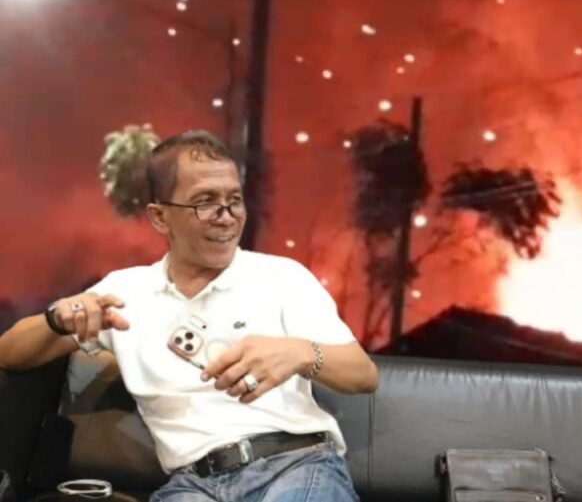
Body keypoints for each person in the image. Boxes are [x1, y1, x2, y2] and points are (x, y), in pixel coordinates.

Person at [0, 130, 378, 502]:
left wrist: (302, 353)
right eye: (205, 202)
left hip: (295, 465)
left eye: (234, 201)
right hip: (193, 485)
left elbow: (363, 375)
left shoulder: (282, 277)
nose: (226, 218)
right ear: (160, 217)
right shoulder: (125, 293)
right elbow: (9, 354)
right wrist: (55, 320)